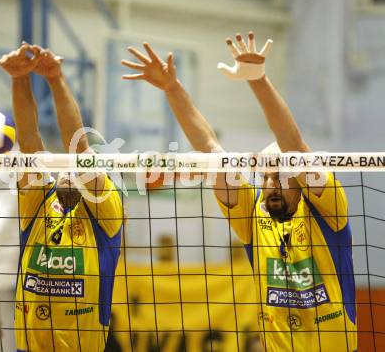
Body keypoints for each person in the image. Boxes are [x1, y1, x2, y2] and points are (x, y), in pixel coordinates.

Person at [121, 33, 356, 352]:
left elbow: (294, 145)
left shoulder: (329, 210)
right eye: (264, 177)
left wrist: (257, 80)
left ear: (300, 179)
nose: (271, 184)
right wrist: (172, 88)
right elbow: (211, 151)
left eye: (280, 176)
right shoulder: (254, 216)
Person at [0, 43, 124, 352]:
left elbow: (79, 149)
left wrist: (56, 78)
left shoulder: (105, 214)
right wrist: (19, 76)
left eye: (75, 169)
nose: (67, 168)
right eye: (62, 166)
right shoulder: (38, 201)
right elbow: (30, 141)